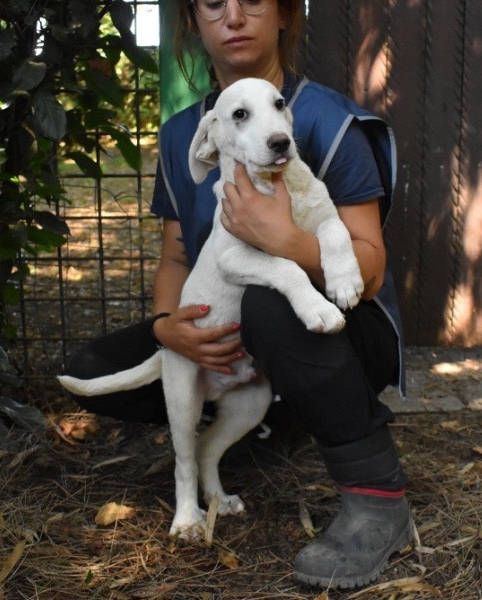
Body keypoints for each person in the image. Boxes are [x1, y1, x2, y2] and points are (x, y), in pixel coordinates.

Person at [63, 0, 413, 589]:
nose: (233, 17)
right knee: (96, 365)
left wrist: (287, 241)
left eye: (252, 0)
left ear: (283, 15)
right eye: (212, 4)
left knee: (270, 302)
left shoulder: (329, 121)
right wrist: (168, 326)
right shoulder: (184, 135)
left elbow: (370, 269)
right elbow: (176, 257)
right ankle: (267, 420)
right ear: (192, 22)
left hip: (344, 323)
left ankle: (377, 498)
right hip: (231, 329)